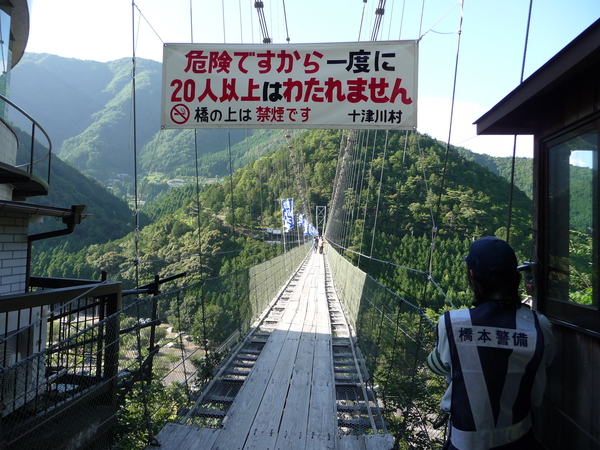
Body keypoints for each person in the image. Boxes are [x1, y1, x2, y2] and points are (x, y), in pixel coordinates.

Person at [427, 236, 554, 450]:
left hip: (464, 442)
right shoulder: (539, 326)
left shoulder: (452, 323)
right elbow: (546, 362)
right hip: (522, 440)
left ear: (472, 276)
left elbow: (437, 365)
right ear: (515, 277)